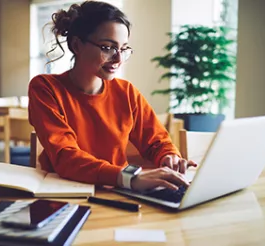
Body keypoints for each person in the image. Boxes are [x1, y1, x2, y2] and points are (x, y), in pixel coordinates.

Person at [28, 0, 196, 192]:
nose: (118, 59)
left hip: (117, 194)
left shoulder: (127, 92)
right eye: (108, 47)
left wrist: (169, 156)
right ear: (76, 45)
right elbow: (66, 157)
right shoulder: (45, 88)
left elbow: (157, 142)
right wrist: (128, 177)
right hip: (62, 196)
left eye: (123, 49)